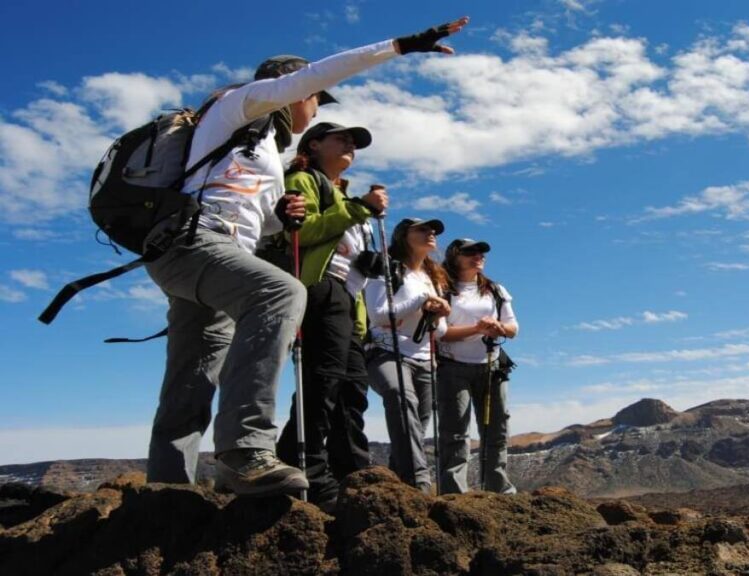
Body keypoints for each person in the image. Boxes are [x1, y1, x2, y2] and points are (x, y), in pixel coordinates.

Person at [143, 17, 470, 497]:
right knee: (279, 291)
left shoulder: (266, 154)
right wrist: (399, 46)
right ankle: (244, 451)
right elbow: (314, 75)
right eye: (314, 98)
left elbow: (257, 218)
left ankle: (166, 492)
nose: (315, 108)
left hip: (215, 256)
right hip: (195, 244)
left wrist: (280, 214)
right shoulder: (238, 107)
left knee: (193, 374)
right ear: (290, 90)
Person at [273, 122, 386, 510]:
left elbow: (344, 248)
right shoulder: (303, 179)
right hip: (320, 291)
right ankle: (305, 469)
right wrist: (359, 210)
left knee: (352, 389)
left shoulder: (341, 194)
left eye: (354, 143)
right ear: (315, 144)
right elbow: (300, 234)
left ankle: (353, 473)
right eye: (343, 139)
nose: (351, 146)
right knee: (322, 383)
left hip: (348, 299)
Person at [365, 218, 450, 492]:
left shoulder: (432, 276)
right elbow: (377, 315)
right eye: (423, 229)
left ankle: (397, 485)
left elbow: (440, 331)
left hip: (425, 358)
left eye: (433, 230)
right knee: (401, 399)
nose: (431, 233)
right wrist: (419, 301)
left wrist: (437, 315)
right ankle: (420, 484)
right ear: (403, 236)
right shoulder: (385, 268)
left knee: (415, 425)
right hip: (385, 351)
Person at [437, 238, 518, 495]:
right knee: (455, 431)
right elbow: (441, 333)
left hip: (492, 365)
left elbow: (513, 329)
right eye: (470, 252)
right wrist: (478, 329)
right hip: (452, 366)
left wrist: (499, 328)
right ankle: (454, 492)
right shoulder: (441, 288)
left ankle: (498, 488)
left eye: (481, 252)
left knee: (496, 428)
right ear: (454, 256)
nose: (478, 256)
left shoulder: (495, 290)